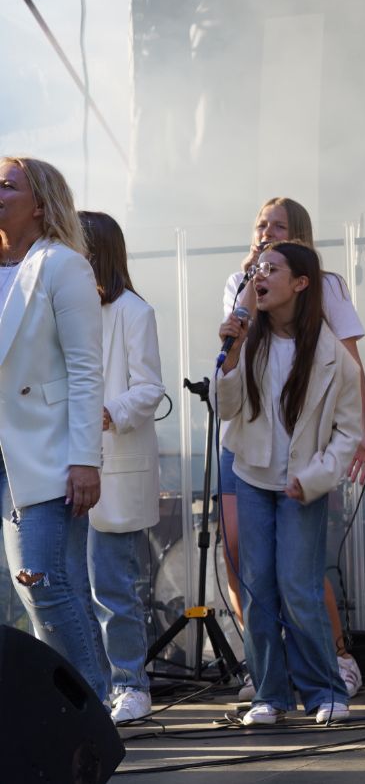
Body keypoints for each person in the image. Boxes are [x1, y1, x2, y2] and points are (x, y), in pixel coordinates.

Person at [220, 197, 365, 701]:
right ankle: (268, 695)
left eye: (272, 269)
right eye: (257, 268)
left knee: (299, 588)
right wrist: (232, 353)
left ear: (300, 283)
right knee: (258, 589)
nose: (259, 274)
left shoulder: (330, 354)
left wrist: (318, 476)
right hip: (253, 474)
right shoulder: (249, 339)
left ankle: (324, 690)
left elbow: (348, 431)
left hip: (302, 483)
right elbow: (227, 407)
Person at [0, 156, 108, 702]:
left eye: (6, 185)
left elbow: (88, 368)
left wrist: (85, 458)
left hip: (41, 448)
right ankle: (56, 713)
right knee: (29, 594)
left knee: (43, 582)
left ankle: (88, 710)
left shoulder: (61, 265)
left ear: (39, 204)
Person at [81, 211, 166, 725]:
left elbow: (149, 387)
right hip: (60, 465)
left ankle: (131, 685)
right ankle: (89, 685)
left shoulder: (134, 311)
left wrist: (108, 413)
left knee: (113, 587)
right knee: (68, 588)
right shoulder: (59, 309)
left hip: (111, 465)